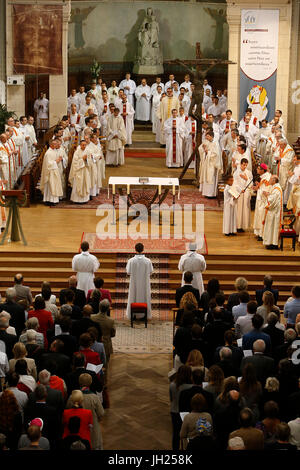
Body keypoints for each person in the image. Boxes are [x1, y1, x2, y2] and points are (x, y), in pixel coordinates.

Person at [66, 373, 104, 450]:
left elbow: (67, 410)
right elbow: (101, 413)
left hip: (75, 431)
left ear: (79, 382)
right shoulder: (94, 397)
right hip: (92, 430)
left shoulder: (72, 397)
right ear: (90, 382)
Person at [126, 243, 153, 320]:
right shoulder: (148, 261)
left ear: (135, 249)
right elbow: (151, 271)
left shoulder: (131, 261)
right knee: (145, 296)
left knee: (133, 296)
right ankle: (145, 314)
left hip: (134, 283)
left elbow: (128, 272)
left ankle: (133, 314)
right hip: (145, 283)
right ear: (143, 249)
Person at [199, 130, 222, 198]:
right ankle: (206, 193)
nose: (206, 137)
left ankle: (211, 194)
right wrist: (203, 149)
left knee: (211, 177)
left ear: (211, 136)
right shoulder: (206, 141)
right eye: (206, 136)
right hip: (207, 163)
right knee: (206, 177)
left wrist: (207, 152)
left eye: (208, 136)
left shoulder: (216, 143)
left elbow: (216, 154)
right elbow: (200, 149)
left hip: (212, 164)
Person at [262, 175, 283, 249]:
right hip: (273, 212)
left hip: (274, 213)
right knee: (271, 228)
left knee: (272, 228)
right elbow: (273, 197)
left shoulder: (276, 189)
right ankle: (271, 243)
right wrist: (269, 195)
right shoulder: (275, 187)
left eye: (270, 179)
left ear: (274, 180)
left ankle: (273, 244)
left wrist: (267, 196)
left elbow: (272, 201)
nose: (269, 180)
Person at [233, 158, 252, 232]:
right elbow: (235, 183)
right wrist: (240, 189)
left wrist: (246, 178)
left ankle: (242, 226)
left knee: (244, 210)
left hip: (246, 193)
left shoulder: (248, 173)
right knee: (239, 210)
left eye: (246, 165)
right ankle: (237, 226)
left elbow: (251, 184)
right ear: (240, 164)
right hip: (239, 193)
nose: (245, 167)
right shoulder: (236, 173)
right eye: (244, 165)